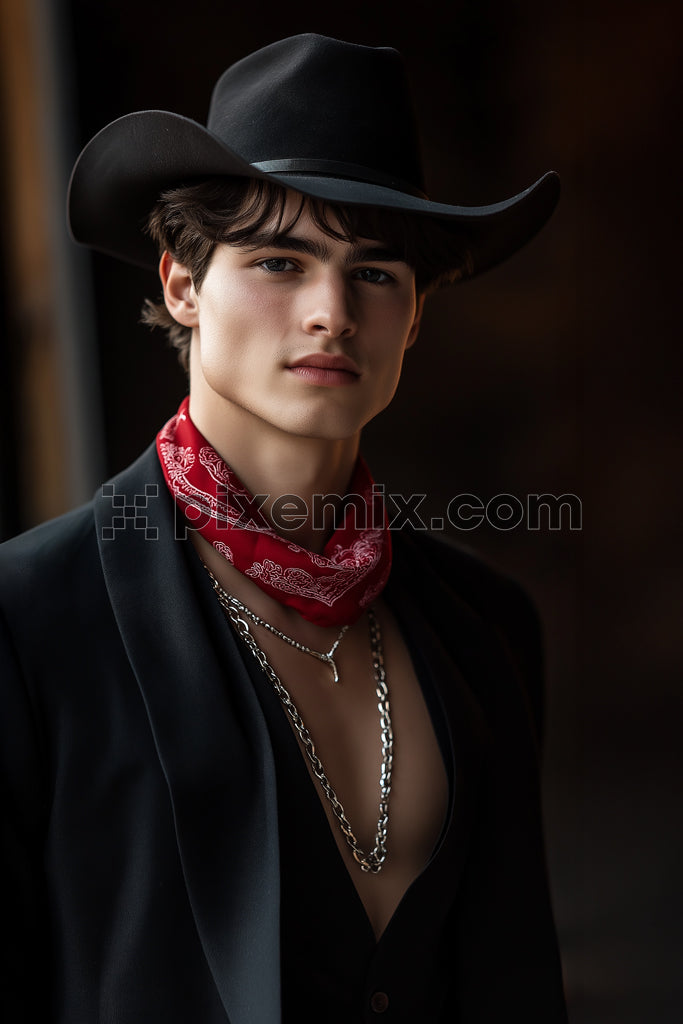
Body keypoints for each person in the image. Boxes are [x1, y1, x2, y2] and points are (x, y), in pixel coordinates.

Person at [0, 33, 568, 1024]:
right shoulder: (29, 619)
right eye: (278, 260)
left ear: (418, 314)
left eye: (376, 273)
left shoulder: (487, 627)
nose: (329, 312)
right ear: (181, 283)